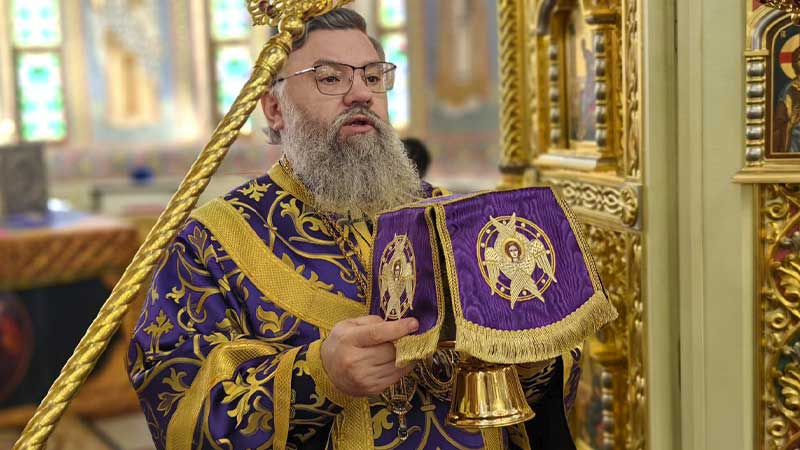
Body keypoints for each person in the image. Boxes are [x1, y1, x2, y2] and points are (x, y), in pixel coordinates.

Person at [127, 9, 581, 450]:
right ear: (274, 107)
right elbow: (180, 409)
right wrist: (318, 375)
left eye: (373, 76)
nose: (361, 93)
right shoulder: (211, 241)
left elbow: (540, 383)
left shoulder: (452, 216)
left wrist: (531, 356)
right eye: (330, 78)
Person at [774, 47, 800, 153]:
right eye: (799, 59)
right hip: (794, 137)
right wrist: (791, 122)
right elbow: (779, 122)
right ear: (794, 64)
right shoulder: (787, 90)